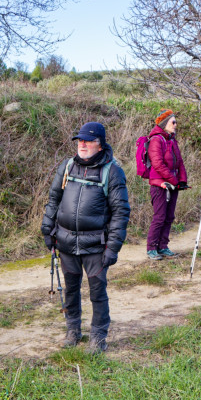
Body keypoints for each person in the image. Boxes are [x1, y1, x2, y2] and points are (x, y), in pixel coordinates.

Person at [41, 122, 130, 353]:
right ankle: (73, 330)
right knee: (71, 290)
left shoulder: (112, 172)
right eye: (80, 140)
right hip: (66, 242)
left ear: (100, 145)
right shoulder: (67, 166)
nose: (82, 144)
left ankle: (98, 336)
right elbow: (53, 200)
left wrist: (113, 247)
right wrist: (47, 229)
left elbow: (120, 212)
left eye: (88, 141)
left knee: (97, 292)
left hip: (96, 246)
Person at [145, 109, 189, 260]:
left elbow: (180, 162)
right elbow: (157, 164)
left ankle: (163, 246)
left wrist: (182, 180)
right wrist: (174, 180)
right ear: (164, 124)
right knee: (160, 217)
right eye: (173, 122)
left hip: (172, 184)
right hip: (160, 185)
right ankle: (152, 248)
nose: (176, 125)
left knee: (169, 216)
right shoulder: (156, 140)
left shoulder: (171, 140)